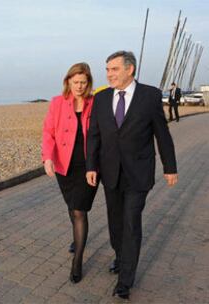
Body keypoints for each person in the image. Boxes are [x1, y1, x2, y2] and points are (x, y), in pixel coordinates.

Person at [86, 51, 178, 300]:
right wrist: (91, 166)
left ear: (130, 70)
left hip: (139, 173)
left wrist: (170, 167)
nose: (109, 74)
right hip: (110, 173)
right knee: (115, 223)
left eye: (114, 69)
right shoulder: (102, 97)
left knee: (130, 221)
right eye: (107, 69)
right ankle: (120, 256)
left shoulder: (149, 96)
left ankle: (125, 279)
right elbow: (94, 134)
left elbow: (162, 133)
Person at [42, 62, 99, 284]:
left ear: (88, 83)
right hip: (64, 166)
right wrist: (47, 157)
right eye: (76, 82)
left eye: (83, 82)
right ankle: (77, 239)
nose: (79, 86)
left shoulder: (94, 103)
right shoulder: (57, 103)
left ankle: (77, 261)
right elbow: (48, 132)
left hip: (88, 167)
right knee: (71, 206)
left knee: (79, 210)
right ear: (68, 81)